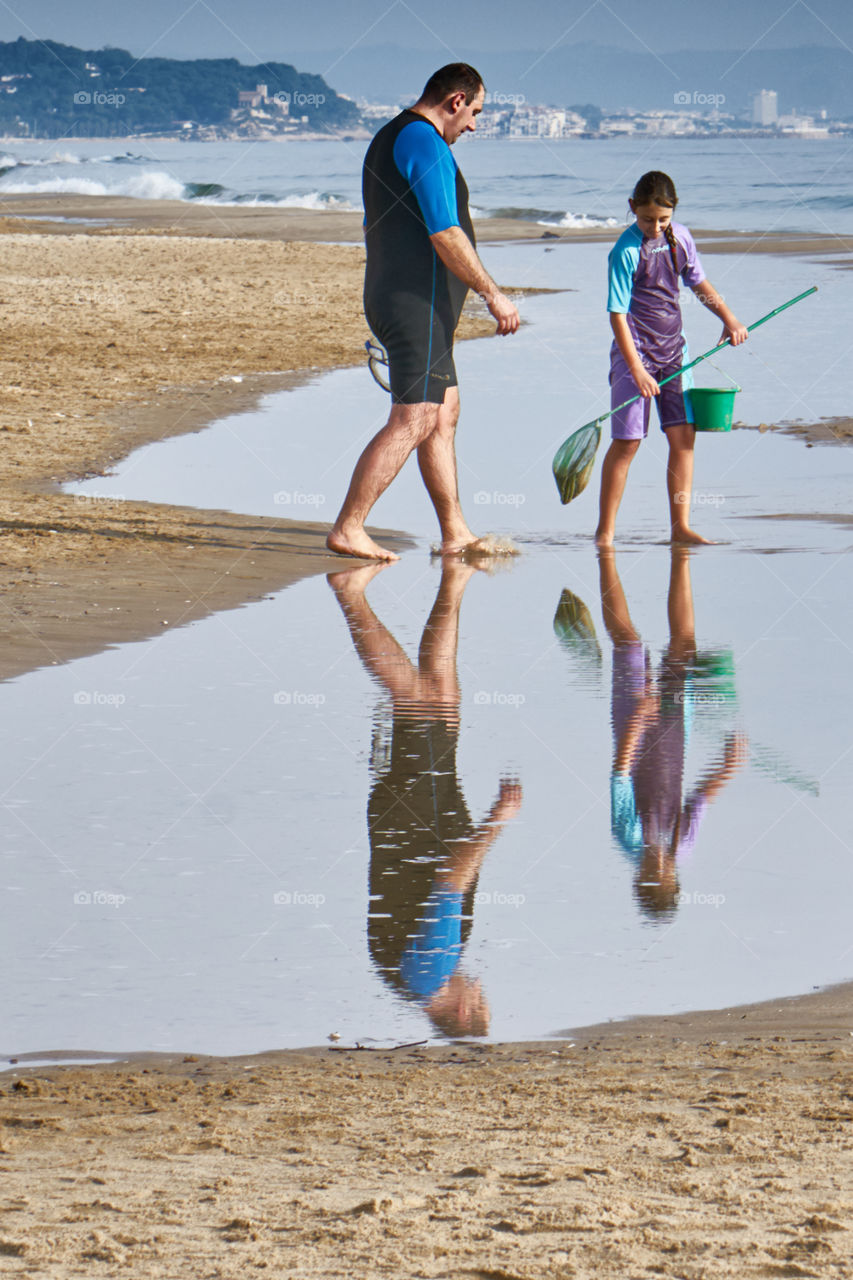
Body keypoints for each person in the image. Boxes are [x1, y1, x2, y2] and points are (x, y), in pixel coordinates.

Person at [326, 63, 520, 562]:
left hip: (414, 301)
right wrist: (492, 295)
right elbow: (444, 232)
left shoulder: (395, 135)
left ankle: (455, 531)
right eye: (475, 112)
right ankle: (349, 527)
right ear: (455, 101)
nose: (474, 124)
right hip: (413, 305)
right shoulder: (422, 139)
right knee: (415, 417)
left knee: (443, 414)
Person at [327, 559, 522, 1036]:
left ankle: (349, 593)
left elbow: (451, 879)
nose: (479, 987)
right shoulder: (407, 980)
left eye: (480, 1000)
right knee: (443, 699)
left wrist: (499, 817)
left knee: (417, 698)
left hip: (413, 819)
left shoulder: (432, 972)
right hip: (412, 821)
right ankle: (453, 583)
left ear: (462, 1011)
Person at [595, 171, 748, 548]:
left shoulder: (680, 238)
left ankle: (681, 527)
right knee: (628, 443)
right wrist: (635, 369)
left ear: (673, 213)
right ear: (632, 209)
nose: (655, 226)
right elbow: (617, 314)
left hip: (675, 356)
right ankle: (605, 533)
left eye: (663, 219)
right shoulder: (625, 251)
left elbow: (698, 283)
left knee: (683, 438)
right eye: (647, 219)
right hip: (635, 357)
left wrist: (729, 318)